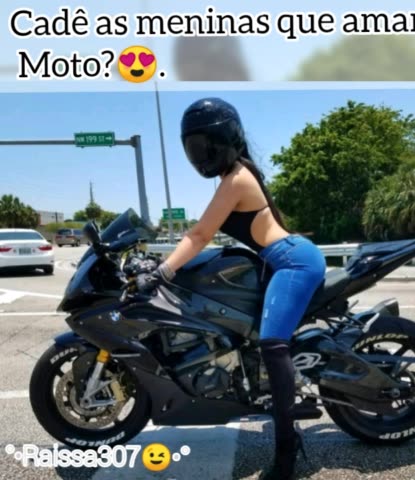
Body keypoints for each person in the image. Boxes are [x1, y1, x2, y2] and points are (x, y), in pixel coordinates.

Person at [137, 97, 326, 480]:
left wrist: (163, 272)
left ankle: (287, 451)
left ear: (223, 140)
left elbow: (200, 234)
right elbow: (201, 235)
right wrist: (158, 263)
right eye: (193, 147)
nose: (199, 154)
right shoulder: (234, 176)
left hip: (293, 262)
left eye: (203, 145)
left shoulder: (237, 178)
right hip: (281, 259)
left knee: (273, 345)